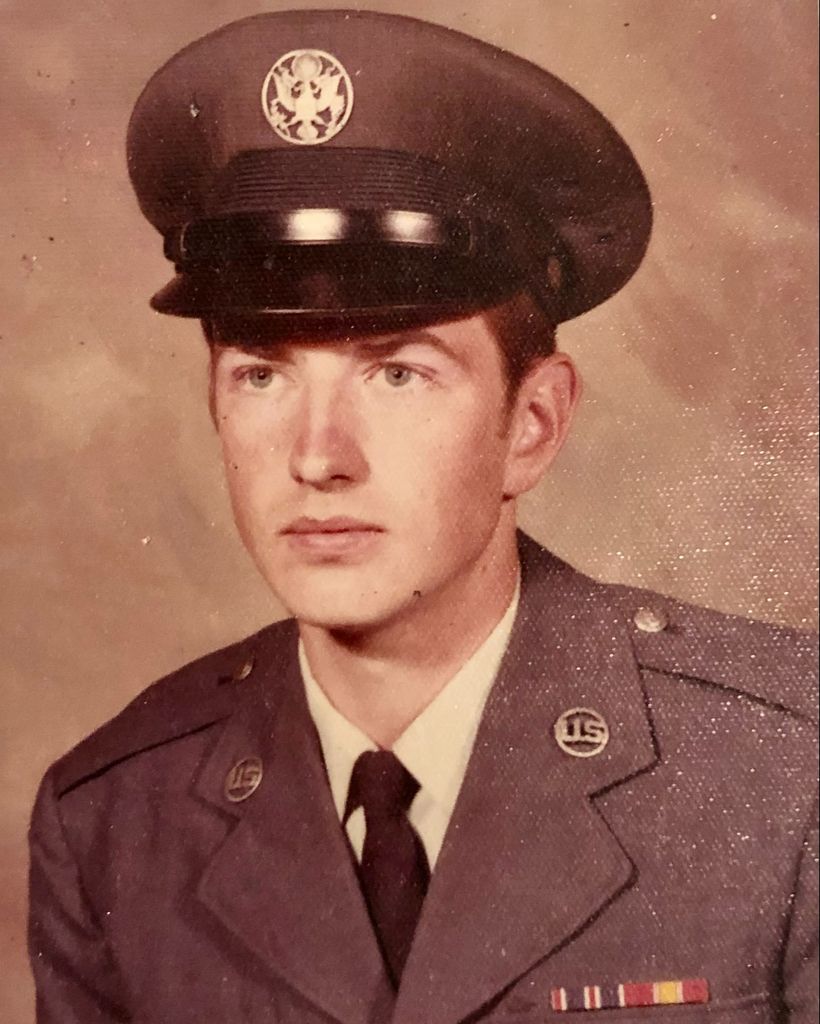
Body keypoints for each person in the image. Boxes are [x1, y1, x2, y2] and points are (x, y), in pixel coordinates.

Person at [28, 10, 817, 1024]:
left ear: (532, 423)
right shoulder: (110, 823)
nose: (318, 456)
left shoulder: (781, 773)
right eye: (263, 375)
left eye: (397, 373)